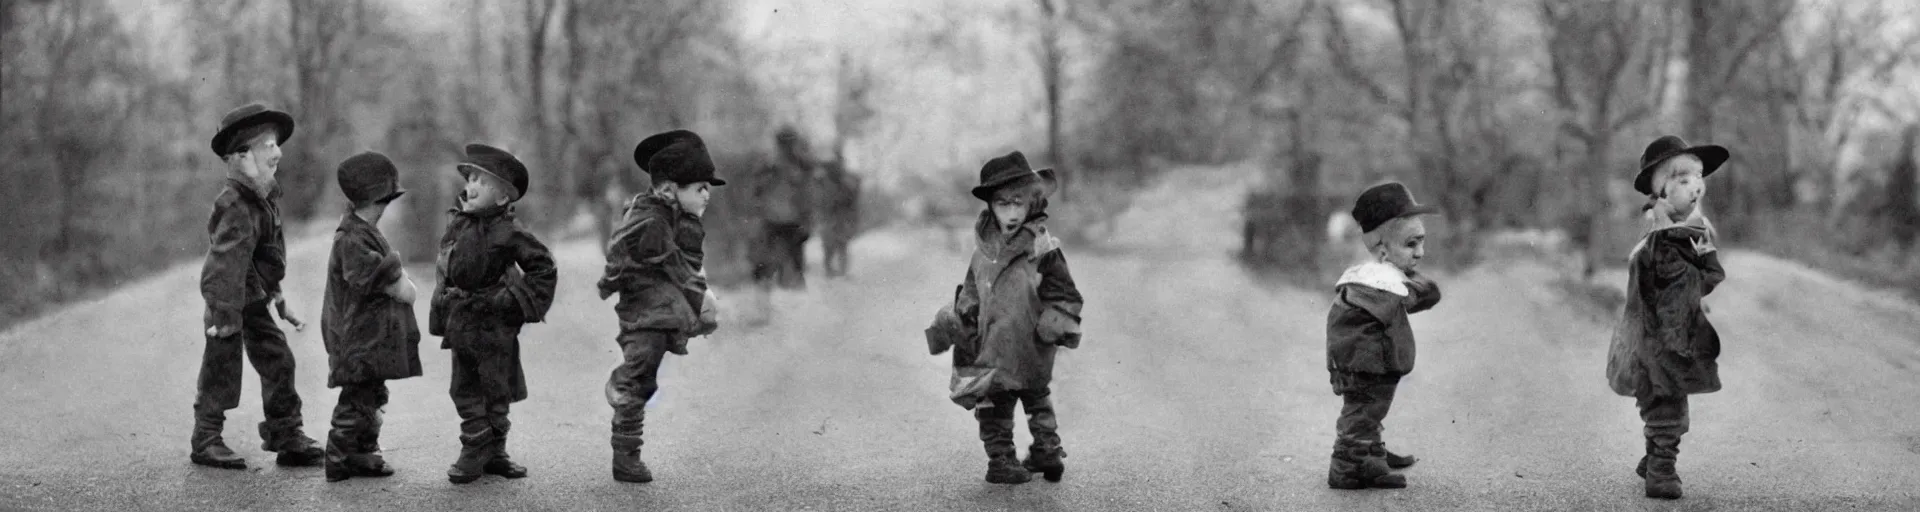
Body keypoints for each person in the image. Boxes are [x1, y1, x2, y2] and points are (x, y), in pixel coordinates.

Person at [926, 151, 1084, 484]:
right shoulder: (982, 252)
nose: (1011, 212)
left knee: (1036, 396)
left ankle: (1047, 450)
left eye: (1018, 202)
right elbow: (971, 293)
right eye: (1002, 203)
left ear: (1032, 202)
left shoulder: (1042, 246)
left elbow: (1063, 291)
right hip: (991, 342)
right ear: (990, 207)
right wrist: (956, 322)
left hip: (1030, 338)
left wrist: (1055, 320)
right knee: (993, 404)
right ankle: (1001, 458)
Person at [192, 102, 326, 470]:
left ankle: (286, 434)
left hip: (253, 298)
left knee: (278, 359)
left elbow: (264, 257)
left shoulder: (263, 199)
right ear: (241, 156)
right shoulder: (236, 204)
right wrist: (224, 316)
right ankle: (205, 439)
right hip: (230, 304)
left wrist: (278, 296)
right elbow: (223, 265)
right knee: (222, 366)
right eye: (268, 145)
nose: (278, 152)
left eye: (276, 145)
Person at [597, 130, 725, 483]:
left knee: (644, 376)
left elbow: (690, 264)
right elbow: (675, 268)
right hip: (644, 315)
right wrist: (702, 300)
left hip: (661, 313)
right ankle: (626, 455)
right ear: (669, 190)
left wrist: (701, 298)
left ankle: (625, 391)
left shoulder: (678, 219)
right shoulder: (651, 221)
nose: (706, 194)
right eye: (699, 187)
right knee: (638, 380)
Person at [1606, 135, 1729, 500]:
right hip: (1662, 343)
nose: (1696, 189)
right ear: (1661, 192)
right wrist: (1705, 256)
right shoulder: (1666, 244)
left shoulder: (1675, 235)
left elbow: (1704, 281)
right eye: (1683, 181)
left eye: (1698, 178)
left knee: (1662, 402)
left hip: (1654, 340)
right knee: (1670, 410)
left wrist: (1703, 247)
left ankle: (1653, 456)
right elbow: (1692, 288)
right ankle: (1661, 470)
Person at [427, 144, 558, 484]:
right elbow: (446, 270)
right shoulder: (458, 223)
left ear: (502, 199)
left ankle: (493, 451)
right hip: (462, 322)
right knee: (464, 388)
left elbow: (543, 268)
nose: (470, 185)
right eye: (470, 177)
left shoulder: (509, 231)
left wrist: (513, 302)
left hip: (495, 326)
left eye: (482, 182)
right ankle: (474, 446)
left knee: (496, 389)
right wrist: (442, 309)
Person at [1324, 181, 1443, 490]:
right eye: (1411, 244)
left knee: (1371, 411)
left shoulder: (1379, 275)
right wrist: (1414, 285)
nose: (1421, 253)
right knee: (1361, 413)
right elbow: (1418, 296)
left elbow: (1418, 293)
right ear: (1382, 250)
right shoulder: (1374, 282)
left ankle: (1371, 451)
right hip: (1364, 368)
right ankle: (1348, 466)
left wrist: (1409, 279)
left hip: (1373, 366)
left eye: (1421, 242)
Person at [319, 151, 424, 482]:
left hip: (369, 336)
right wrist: (399, 281)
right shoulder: (351, 237)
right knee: (357, 398)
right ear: (375, 201)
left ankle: (363, 451)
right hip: (355, 337)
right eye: (384, 202)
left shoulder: (362, 228)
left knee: (373, 394)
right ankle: (337, 456)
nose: (385, 209)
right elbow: (373, 276)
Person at [748, 126, 817, 290]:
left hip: (789, 219)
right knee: (767, 261)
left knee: (792, 261)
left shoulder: (801, 164)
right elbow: (757, 190)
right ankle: (769, 290)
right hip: (774, 218)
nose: (786, 146)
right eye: (784, 142)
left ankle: (790, 291)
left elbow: (808, 192)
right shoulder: (769, 163)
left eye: (788, 142)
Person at [817, 155, 862, 278]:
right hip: (831, 217)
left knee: (839, 245)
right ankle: (831, 270)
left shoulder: (845, 181)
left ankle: (839, 271)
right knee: (832, 246)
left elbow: (852, 198)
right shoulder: (824, 181)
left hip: (838, 217)